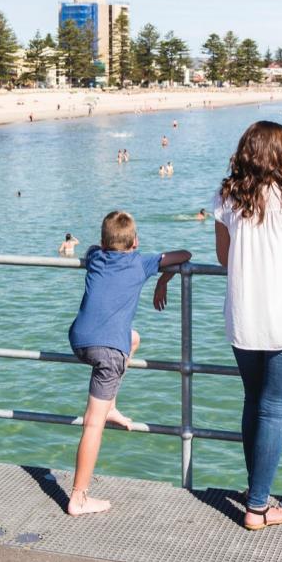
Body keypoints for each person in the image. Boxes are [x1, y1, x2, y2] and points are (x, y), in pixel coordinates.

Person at [214, 121, 282, 531]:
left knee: (253, 402)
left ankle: (255, 490)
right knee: (274, 409)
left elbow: (224, 259)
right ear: (277, 156)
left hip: (244, 315)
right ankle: (257, 506)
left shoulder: (226, 197)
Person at [67, 210, 191, 516]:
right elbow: (184, 254)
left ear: (102, 241)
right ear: (135, 242)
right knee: (92, 424)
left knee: (132, 338)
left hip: (80, 340)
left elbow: (98, 249)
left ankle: (110, 406)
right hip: (107, 351)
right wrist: (164, 276)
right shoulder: (141, 261)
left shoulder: (95, 257)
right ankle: (79, 496)